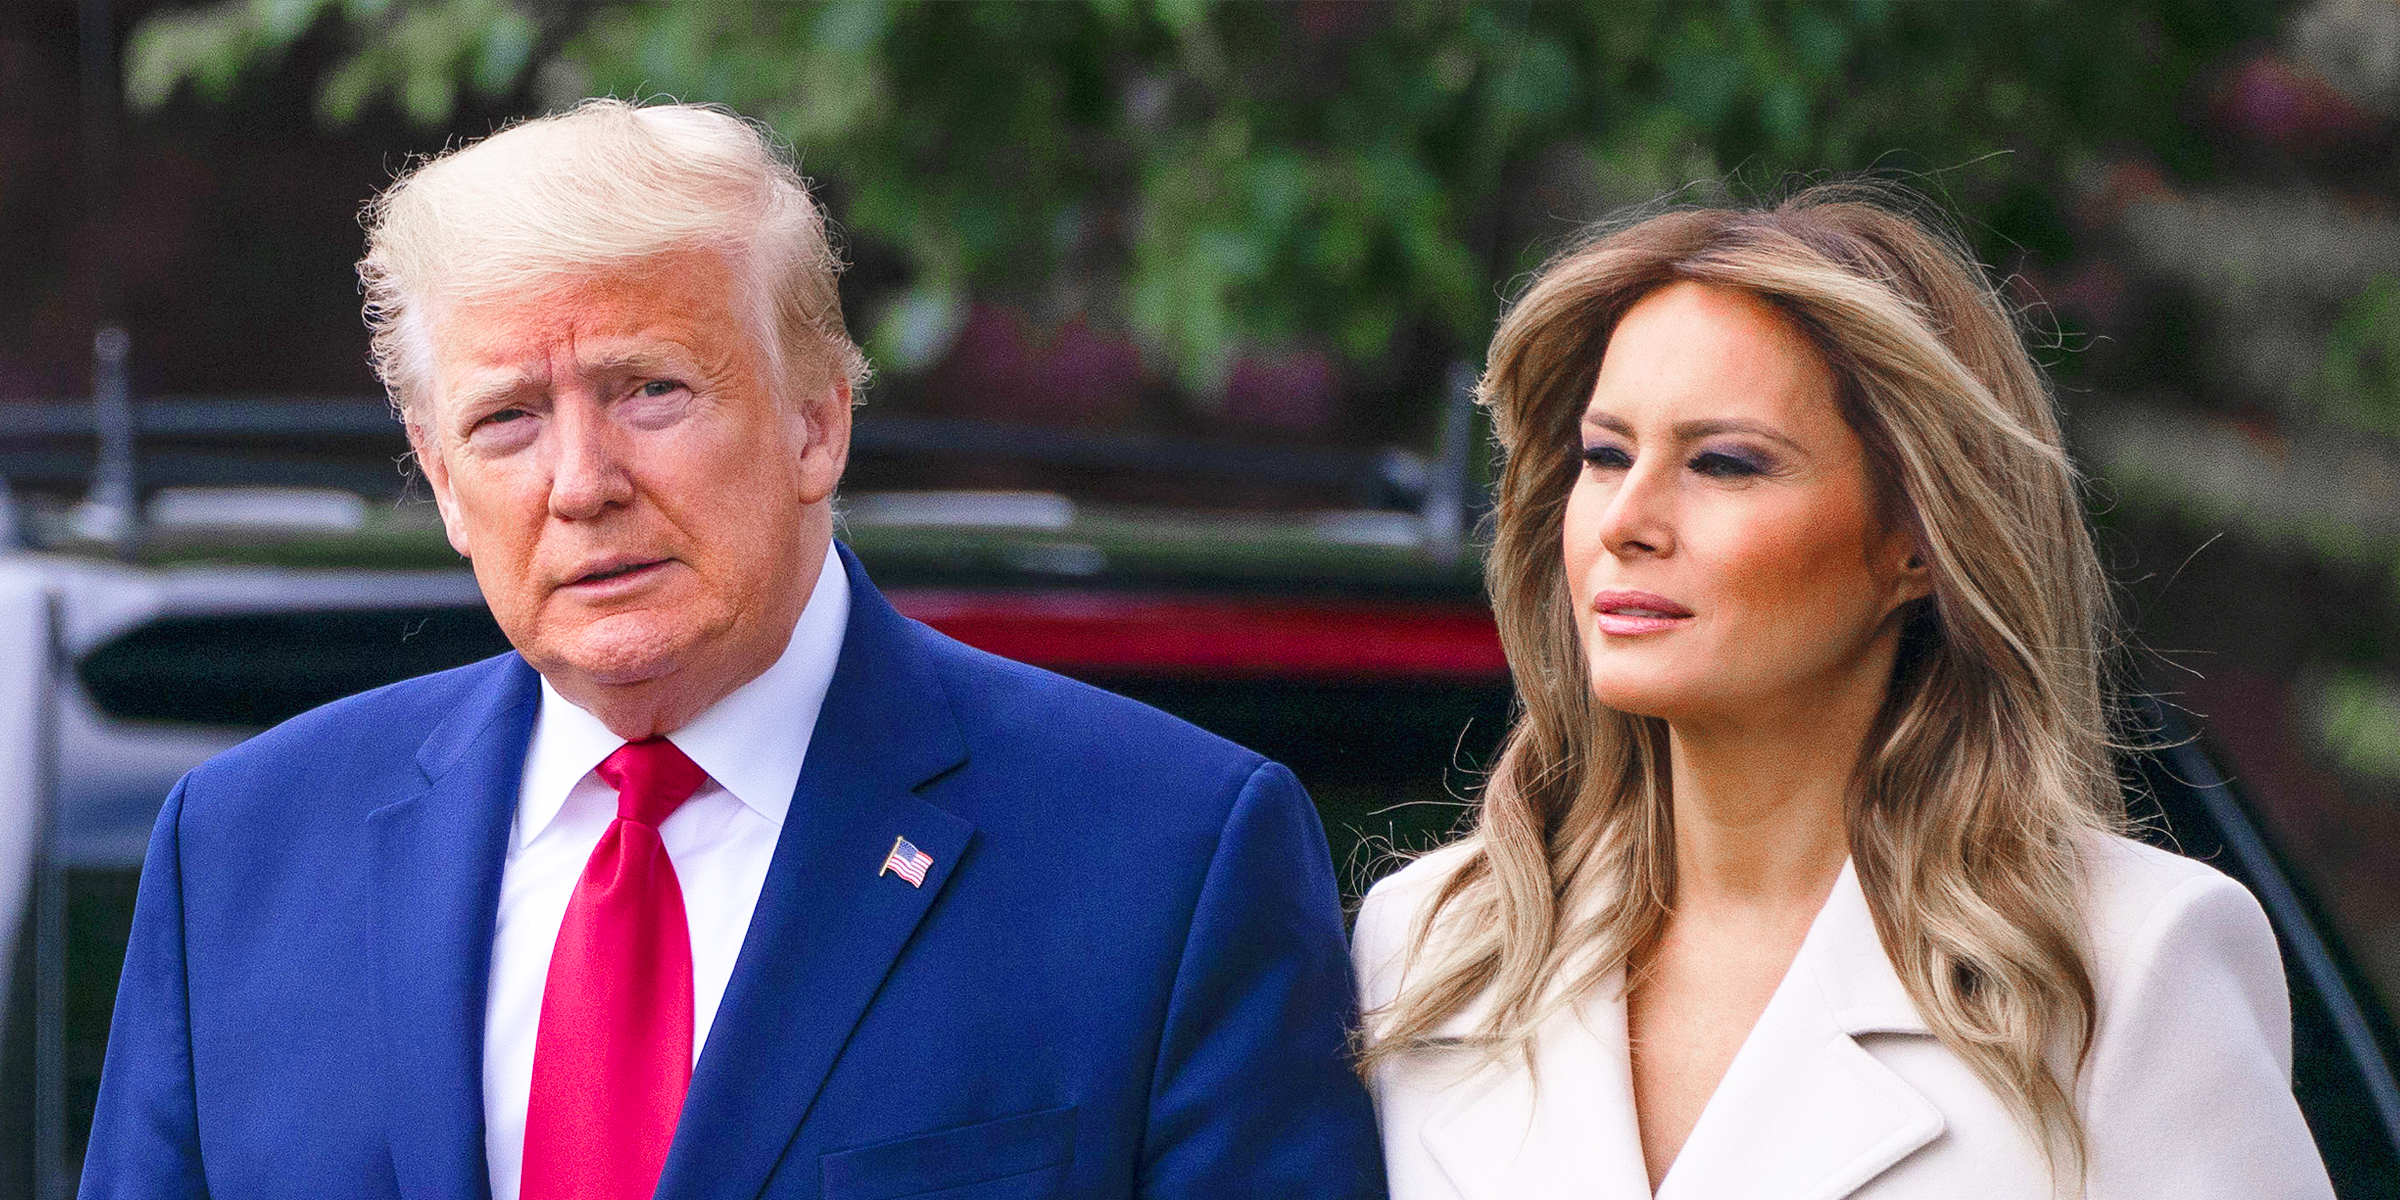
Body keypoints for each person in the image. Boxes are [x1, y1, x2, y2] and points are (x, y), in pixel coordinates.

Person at [81, 99, 1383, 1200]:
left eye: (652, 389)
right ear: (438, 478)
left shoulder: (1165, 858)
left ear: (819, 424)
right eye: (507, 419)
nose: (581, 481)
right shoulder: (242, 857)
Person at [1351, 187, 2335, 1200]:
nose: (1625, 520)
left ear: (1915, 539)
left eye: (1724, 464)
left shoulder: (2130, 962)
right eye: (1605, 455)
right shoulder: (1433, 945)